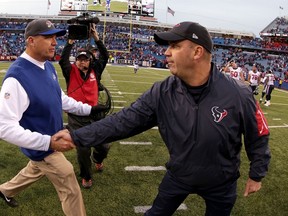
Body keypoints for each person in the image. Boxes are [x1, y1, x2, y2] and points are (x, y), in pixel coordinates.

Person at [54, 21, 271, 216]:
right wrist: (77, 136)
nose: (166, 53)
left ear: (197, 52)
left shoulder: (239, 93)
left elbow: (259, 135)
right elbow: (123, 121)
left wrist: (257, 174)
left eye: (175, 46)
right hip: (179, 175)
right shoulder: (162, 92)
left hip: (221, 183)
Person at [0, 19, 105, 215]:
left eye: (56, 37)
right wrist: (48, 142)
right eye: (48, 37)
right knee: (69, 185)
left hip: (47, 142)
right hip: (46, 146)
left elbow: (61, 98)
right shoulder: (17, 77)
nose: (55, 42)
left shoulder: (46, 66)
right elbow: (4, 127)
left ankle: (4, 190)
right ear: (31, 41)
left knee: (34, 170)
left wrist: (89, 110)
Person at [59, 23, 111, 189]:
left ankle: (98, 159)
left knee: (104, 146)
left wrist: (96, 39)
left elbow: (105, 55)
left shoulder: (96, 71)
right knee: (82, 150)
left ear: (90, 61)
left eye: (85, 59)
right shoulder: (70, 71)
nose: (82, 62)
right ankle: (86, 176)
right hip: (76, 118)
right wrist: (70, 41)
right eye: (79, 59)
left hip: (95, 116)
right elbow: (62, 60)